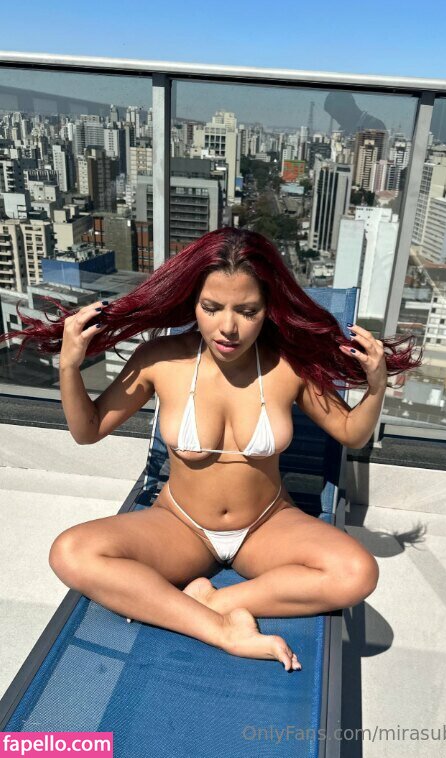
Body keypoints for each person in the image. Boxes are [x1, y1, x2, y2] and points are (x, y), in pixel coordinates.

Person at [0, 227, 422, 672]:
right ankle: (221, 629)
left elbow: (352, 433)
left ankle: (212, 601)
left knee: (357, 572)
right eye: (212, 307)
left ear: (268, 308)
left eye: (247, 311)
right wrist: (69, 365)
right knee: (70, 551)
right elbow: (88, 431)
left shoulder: (288, 366)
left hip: (266, 526)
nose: (228, 327)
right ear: (192, 303)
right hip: (180, 526)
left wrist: (376, 386)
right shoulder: (160, 359)